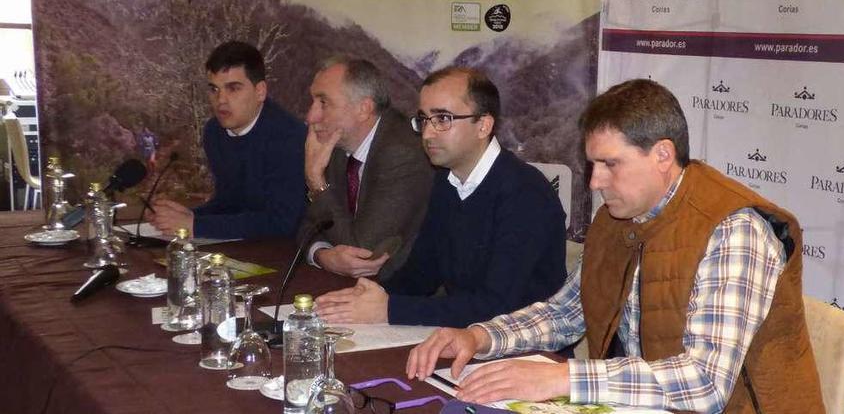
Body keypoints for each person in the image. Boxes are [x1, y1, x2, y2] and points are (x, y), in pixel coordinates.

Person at [405, 79, 824, 414]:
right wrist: (479, 337)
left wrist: (564, 378)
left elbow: (705, 383)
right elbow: (565, 313)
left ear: (662, 155)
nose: (594, 182)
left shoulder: (734, 228)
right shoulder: (616, 219)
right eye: (591, 164)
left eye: (610, 164)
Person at [315, 67, 567, 327]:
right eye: (423, 119)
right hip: (471, 337)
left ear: (483, 125)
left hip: (528, 351)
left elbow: (497, 305)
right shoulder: (446, 182)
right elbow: (421, 274)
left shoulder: (525, 193)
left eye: (443, 119)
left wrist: (390, 310)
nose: (427, 133)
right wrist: (366, 296)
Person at [147, 41, 307, 240]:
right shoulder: (215, 133)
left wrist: (196, 225)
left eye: (233, 88)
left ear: (260, 92)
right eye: (214, 89)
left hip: (290, 253)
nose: (220, 100)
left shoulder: (289, 139)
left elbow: (283, 222)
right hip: (249, 247)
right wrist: (189, 216)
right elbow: (231, 203)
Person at [299, 56, 434, 281]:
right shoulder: (337, 144)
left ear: (363, 109)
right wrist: (322, 255)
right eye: (313, 102)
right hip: (351, 287)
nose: (311, 116)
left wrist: (316, 180)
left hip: (404, 294)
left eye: (323, 103)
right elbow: (306, 224)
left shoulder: (403, 153)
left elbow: (362, 253)